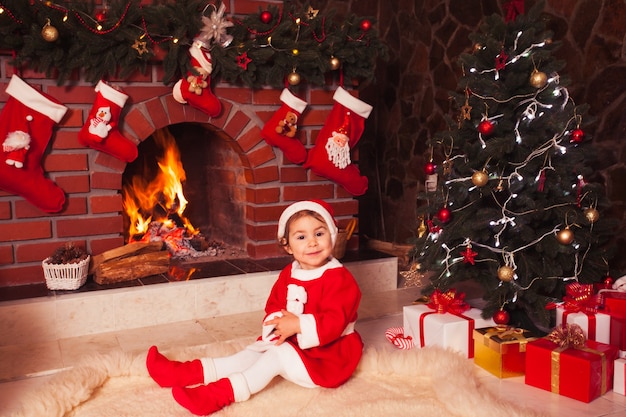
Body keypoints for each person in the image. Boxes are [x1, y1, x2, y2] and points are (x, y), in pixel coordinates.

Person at [146, 200, 363, 415]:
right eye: (301, 237)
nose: (312, 243)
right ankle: (184, 373)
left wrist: (298, 324)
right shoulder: (290, 272)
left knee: (274, 358)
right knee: (248, 356)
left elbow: (336, 320)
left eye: (319, 234)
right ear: (287, 245)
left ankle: (217, 395)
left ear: (332, 236)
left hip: (327, 356)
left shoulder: (340, 279)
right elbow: (275, 303)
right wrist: (277, 324)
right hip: (292, 340)